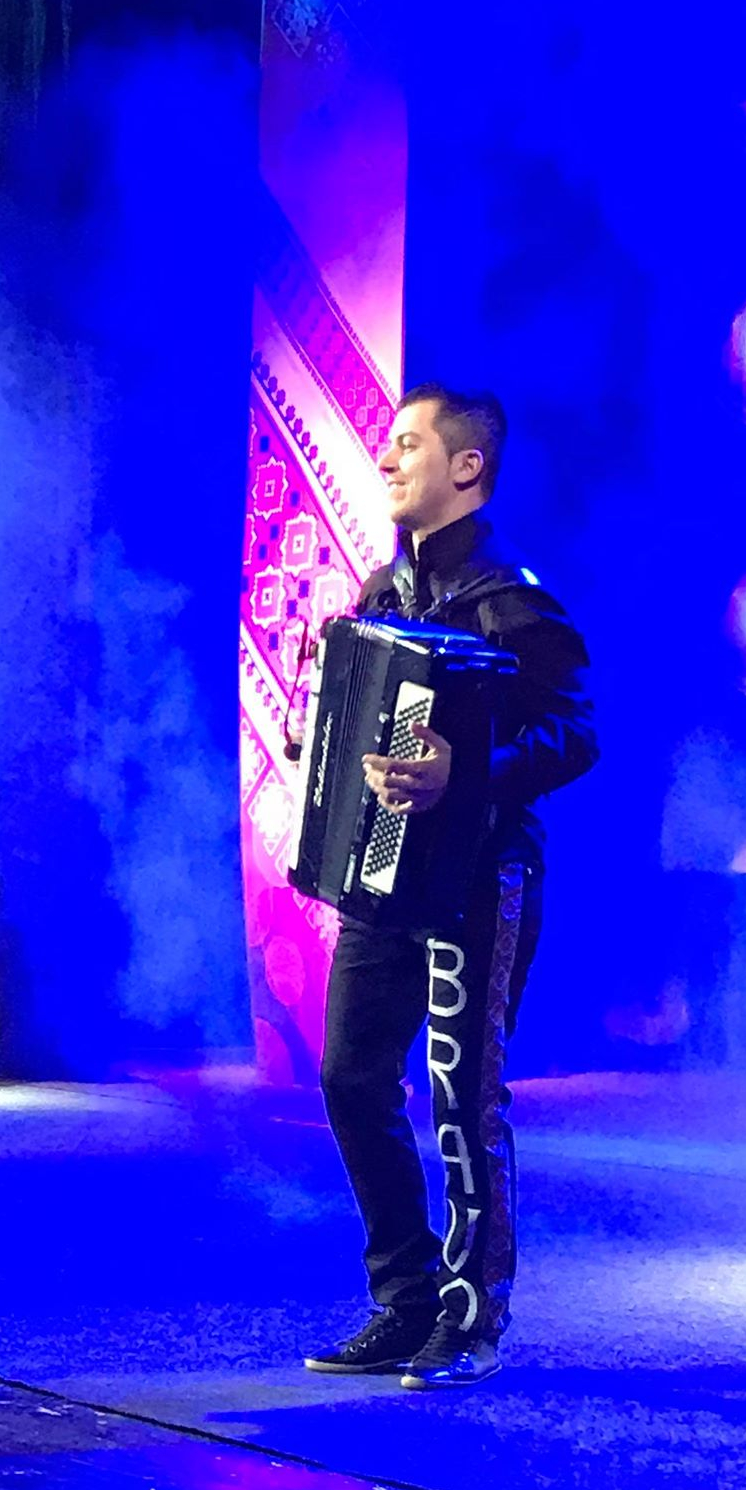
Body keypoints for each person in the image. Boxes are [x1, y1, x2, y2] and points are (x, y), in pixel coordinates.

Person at [302, 385, 597, 1389]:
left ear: (467, 466)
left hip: (484, 875)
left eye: (407, 444)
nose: (386, 459)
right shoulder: (383, 591)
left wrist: (465, 773)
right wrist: (320, 743)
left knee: (464, 1096)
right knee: (350, 1076)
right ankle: (406, 1297)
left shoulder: (509, 596)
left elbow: (577, 734)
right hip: (384, 874)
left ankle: (473, 1316)